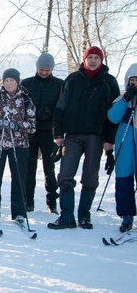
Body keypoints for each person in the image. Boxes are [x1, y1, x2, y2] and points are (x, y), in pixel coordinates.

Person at [48, 46, 119, 230]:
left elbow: (114, 115)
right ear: (84, 59)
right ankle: (66, 217)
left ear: (101, 60)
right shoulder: (72, 79)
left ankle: (84, 216)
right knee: (65, 175)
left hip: (96, 136)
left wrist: (109, 140)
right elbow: (60, 107)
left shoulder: (109, 82)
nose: (93, 60)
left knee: (90, 176)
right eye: (90, 57)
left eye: (97, 57)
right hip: (72, 135)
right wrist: (58, 133)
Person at [0, 68, 36, 224]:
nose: (8, 83)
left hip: (19, 145)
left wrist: (17, 125)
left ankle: (19, 211)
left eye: (11, 80)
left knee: (19, 178)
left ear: (17, 82)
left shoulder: (26, 100)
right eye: (6, 80)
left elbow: (32, 125)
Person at [21, 53, 64, 214]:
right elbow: (20, 105)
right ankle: (28, 201)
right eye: (41, 69)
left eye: (47, 69)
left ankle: (51, 201)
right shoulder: (26, 84)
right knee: (28, 167)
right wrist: (32, 113)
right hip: (30, 131)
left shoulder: (60, 84)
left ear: (52, 69)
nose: (44, 72)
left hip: (49, 131)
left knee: (49, 167)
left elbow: (62, 107)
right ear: (37, 67)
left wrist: (50, 113)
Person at [107, 64, 137, 232]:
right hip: (125, 144)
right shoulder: (121, 100)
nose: (135, 85)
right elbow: (112, 117)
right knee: (124, 179)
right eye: (132, 81)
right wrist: (126, 99)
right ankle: (126, 215)